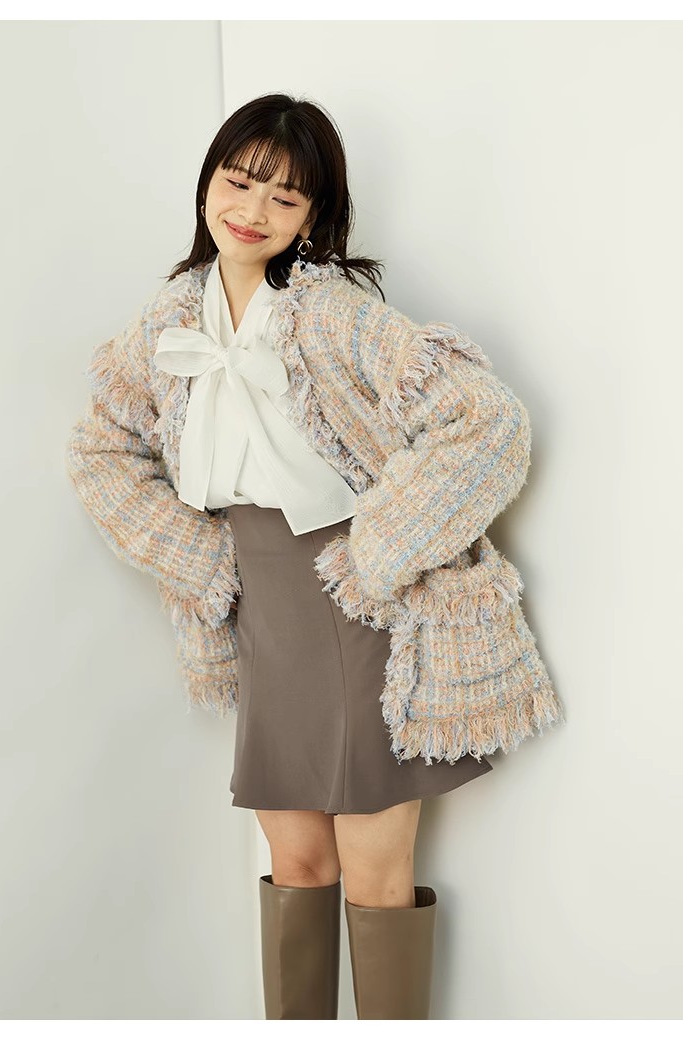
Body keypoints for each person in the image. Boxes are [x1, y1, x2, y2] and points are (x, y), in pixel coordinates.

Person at [66, 92, 564, 1021]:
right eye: (239, 181)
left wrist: (380, 552)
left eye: (284, 197)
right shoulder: (170, 316)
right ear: (208, 182)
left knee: (375, 872)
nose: (252, 209)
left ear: (314, 216)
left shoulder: (332, 313)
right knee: (295, 861)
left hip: (359, 605)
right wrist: (194, 554)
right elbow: (99, 449)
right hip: (260, 607)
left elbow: (488, 422)